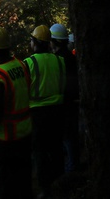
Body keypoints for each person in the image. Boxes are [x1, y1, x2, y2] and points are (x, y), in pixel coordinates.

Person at [0, 26, 33, 199]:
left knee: (4, 189)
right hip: (24, 136)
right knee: (24, 185)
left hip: (4, 142)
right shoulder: (20, 64)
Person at [25, 25, 66, 195]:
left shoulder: (29, 63)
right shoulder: (60, 60)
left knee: (40, 151)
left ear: (35, 42)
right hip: (58, 110)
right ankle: (60, 182)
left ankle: (45, 187)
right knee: (56, 147)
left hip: (37, 113)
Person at [49, 23, 79, 173]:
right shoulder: (70, 57)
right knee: (70, 136)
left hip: (64, 102)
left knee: (68, 137)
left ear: (55, 41)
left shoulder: (58, 59)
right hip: (72, 101)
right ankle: (71, 166)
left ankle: (72, 168)